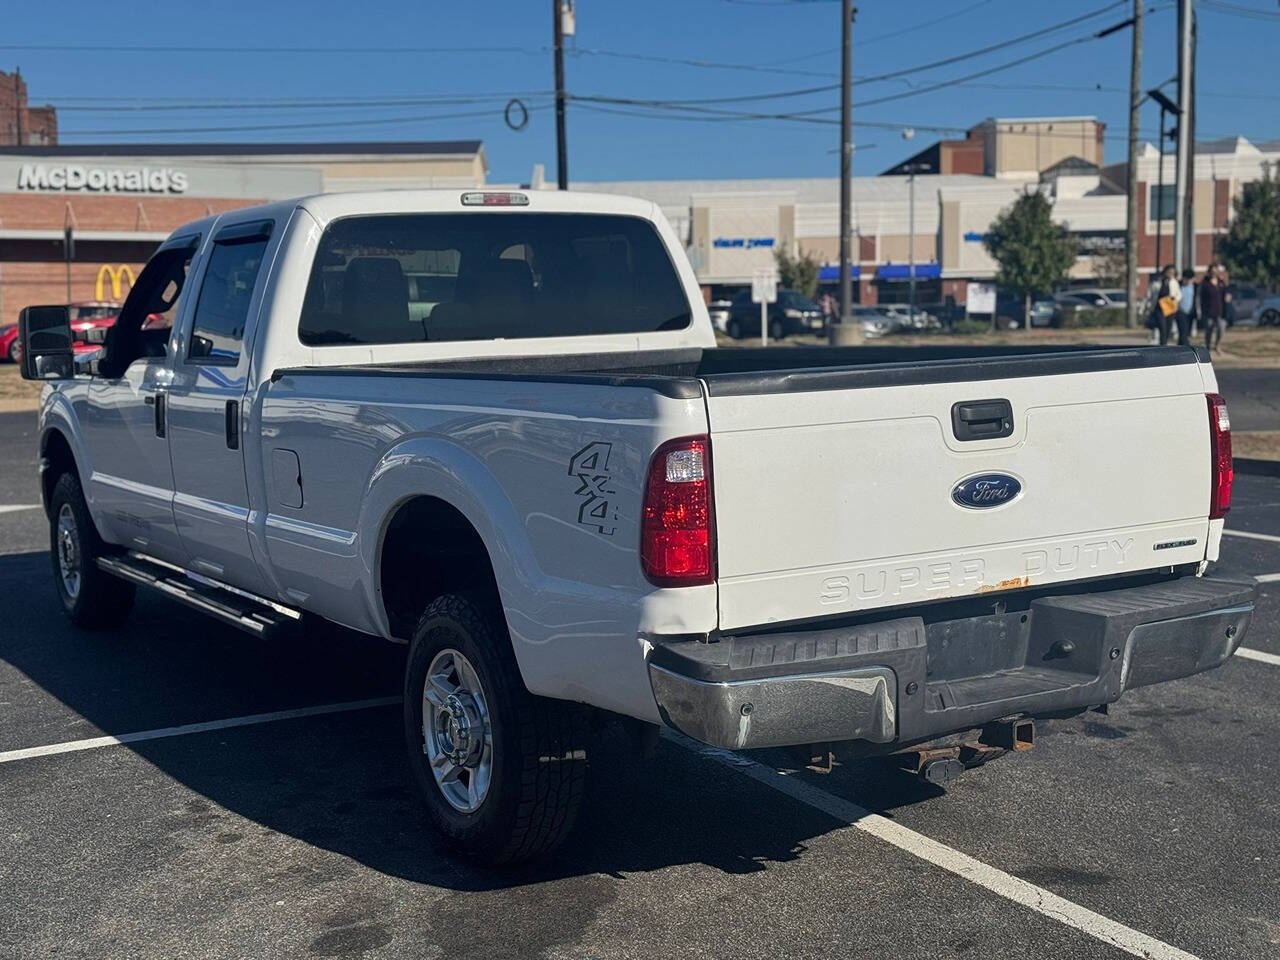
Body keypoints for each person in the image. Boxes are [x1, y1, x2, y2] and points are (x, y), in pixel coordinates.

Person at [1200, 263, 1227, 353]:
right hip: (1208, 311)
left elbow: (1225, 294)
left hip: (1219, 310)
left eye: (1215, 271)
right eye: (1212, 272)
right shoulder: (1205, 283)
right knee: (1209, 330)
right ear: (1209, 272)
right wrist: (1201, 312)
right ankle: (1207, 346)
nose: (1214, 273)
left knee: (1221, 327)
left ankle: (1217, 345)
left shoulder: (1220, 282)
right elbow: (1200, 298)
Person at [1153, 265, 1180, 346]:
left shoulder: (1174, 282)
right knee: (1162, 328)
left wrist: (1174, 299)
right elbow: (1151, 295)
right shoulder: (1158, 282)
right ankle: (1163, 345)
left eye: (1172, 273)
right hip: (1159, 308)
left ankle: (1165, 343)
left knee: (1168, 328)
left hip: (1170, 308)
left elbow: (1179, 294)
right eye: (1169, 272)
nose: (1170, 274)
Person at [1176, 268, 1196, 346]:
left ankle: (1180, 348)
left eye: (1190, 279)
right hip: (1180, 312)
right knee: (1183, 332)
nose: (1188, 281)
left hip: (1191, 313)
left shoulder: (1196, 287)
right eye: (1186, 278)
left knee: (1186, 333)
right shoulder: (1179, 285)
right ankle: (1186, 347)